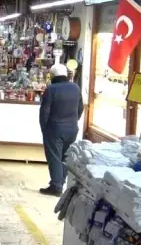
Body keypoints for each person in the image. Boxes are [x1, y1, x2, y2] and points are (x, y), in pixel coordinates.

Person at [39, 64, 83, 196]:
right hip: (72, 128)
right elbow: (80, 108)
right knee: (65, 156)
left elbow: (45, 111)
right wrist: (74, 121)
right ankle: (61, 182)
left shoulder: (51, 89)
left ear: (52, 76)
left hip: (54, 129)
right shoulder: (75, 88)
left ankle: (56, 186)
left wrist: (44, 127)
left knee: (54, 157)